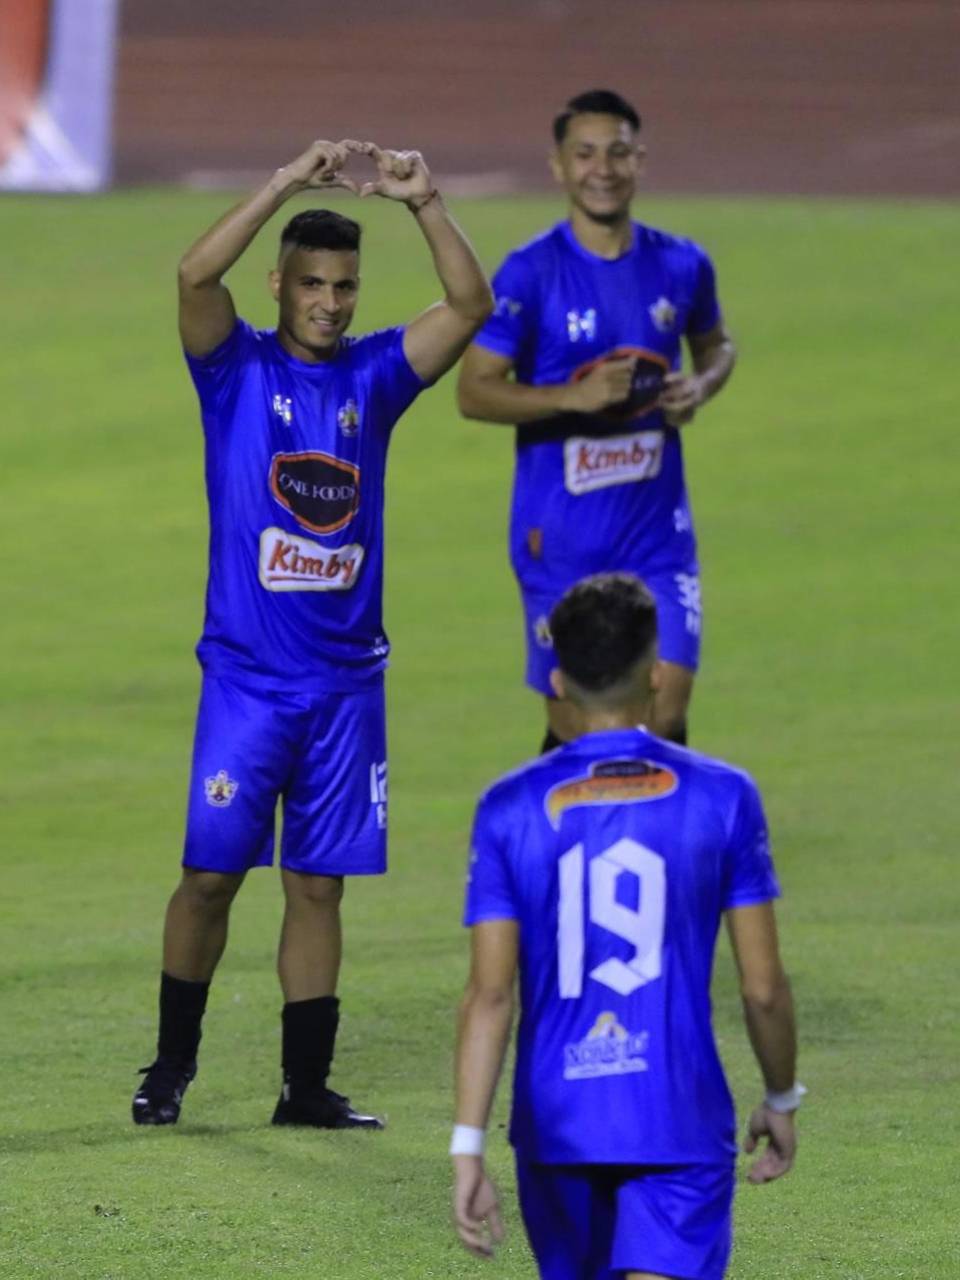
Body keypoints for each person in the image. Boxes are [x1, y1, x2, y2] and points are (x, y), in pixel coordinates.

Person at [132, 139, 493, 1129]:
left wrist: (428, 202)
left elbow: (468, 307)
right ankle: (170, 1065)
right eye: (313, 283)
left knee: (318, 887)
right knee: (209, 876)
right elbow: (192, 272)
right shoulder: (233, 369)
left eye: (345, 285)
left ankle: (306, 1088)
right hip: (247, 682)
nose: (331, 301)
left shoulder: (376, 377)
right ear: (280, 285)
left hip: (344, 687)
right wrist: (287, 180)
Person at [451, 573, 803, 1278]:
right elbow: (762, 988)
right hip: (677, 1110)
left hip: (556, 1121)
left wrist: (467, 1145)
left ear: (557, 681)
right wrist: (780, 1096)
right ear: (658, 673)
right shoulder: (723, 796)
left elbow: (489, 996)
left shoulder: (507, 808)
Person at [457, 89, 737, 751]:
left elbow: (719, 345)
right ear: (557, 166)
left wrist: (700, 384)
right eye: (584, 153)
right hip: (559, 542)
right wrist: (569, 399)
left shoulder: (682, 264)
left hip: (656, 538)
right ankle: (558, 849)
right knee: (577, 725)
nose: (602, 168)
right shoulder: (530, 275)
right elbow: (474, 392)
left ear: (640, 161)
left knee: (663, 709)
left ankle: (661, 847)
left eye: (617, 152)